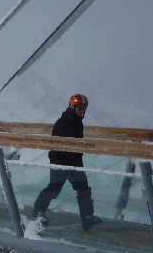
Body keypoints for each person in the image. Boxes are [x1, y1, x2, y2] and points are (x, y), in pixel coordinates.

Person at [31, 93, 102, 231]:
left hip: (73, 160)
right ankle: (38, 211)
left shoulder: (76, 121)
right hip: (61, 161)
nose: (82, 111)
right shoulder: (63, 122)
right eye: (80, 108)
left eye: (84, 109)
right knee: (55, 188)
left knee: (83, 189)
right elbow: (58, 144)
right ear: (72, 107)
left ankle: (87, 217)